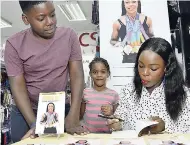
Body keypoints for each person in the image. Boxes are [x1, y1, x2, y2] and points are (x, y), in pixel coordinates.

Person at [4, 1, 88, 143]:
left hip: (59, 107)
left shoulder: (69, 36)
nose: (50, 22)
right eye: (41, 18)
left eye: (53, 15)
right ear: (26, 19)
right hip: (26, 110)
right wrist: (34, 123)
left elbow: (77, 75)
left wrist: (73, 114)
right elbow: (18, 87)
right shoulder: (14, 44)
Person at [107, 37, 190, 134]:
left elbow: (186, 133)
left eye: (153, 68)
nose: (144, 73)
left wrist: (164, 128)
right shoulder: (128, 91)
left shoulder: (185, 95)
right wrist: (116, 124)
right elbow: (119, 120)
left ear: (167, 68)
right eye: (141, 66)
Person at [80, 57, 119, 133]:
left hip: (107, 136)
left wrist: (111, 113)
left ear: (108, 74)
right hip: (88, 135)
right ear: (90, 74)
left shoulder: (114, 94)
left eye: (103, 72)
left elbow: (118, 118)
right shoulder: (85, 93)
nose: (99, 75)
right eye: (95, 72)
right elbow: (80, 116)